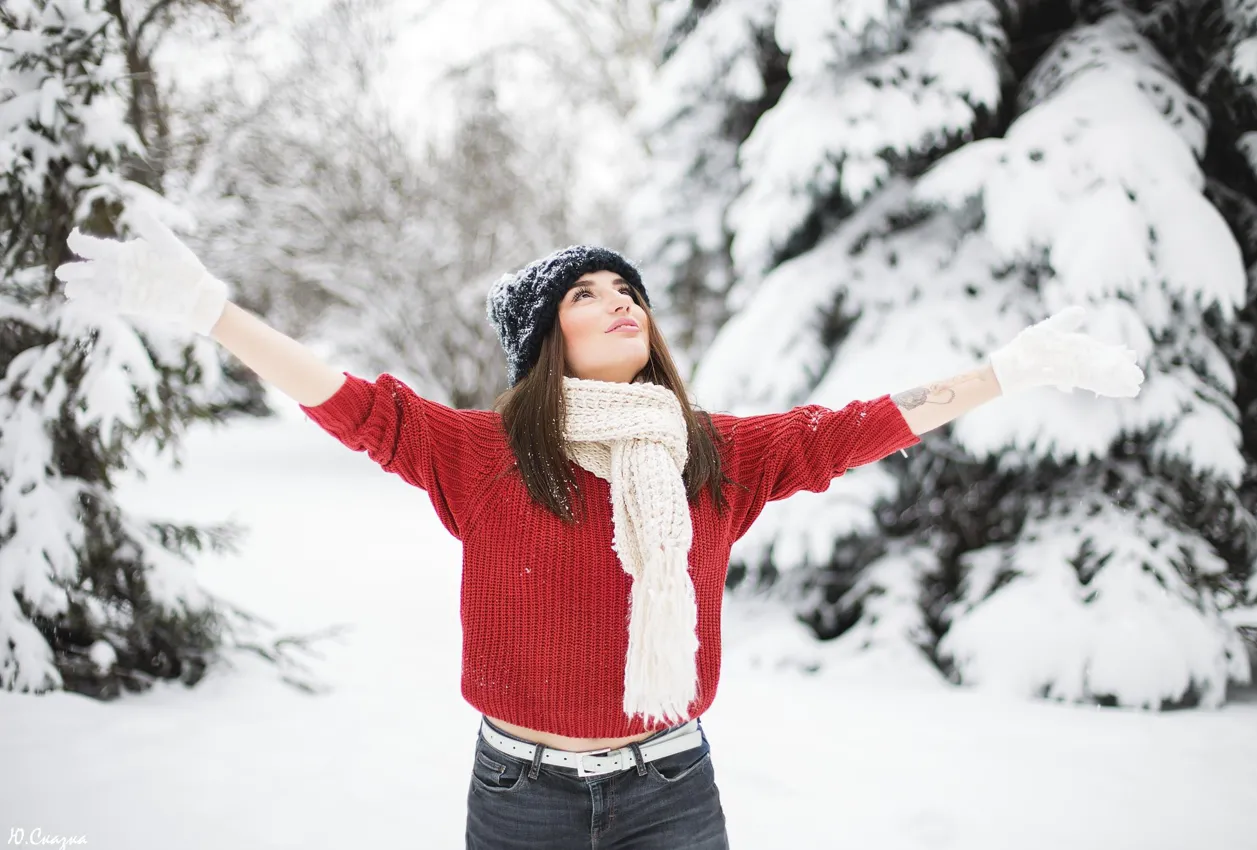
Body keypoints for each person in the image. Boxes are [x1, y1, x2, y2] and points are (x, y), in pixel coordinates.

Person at [56, 211, 1143, 849]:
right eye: (589, 293)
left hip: (672, 790)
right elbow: (353, 403)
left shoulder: (707, 454)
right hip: (518, 795)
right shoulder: (484, 454)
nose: (623, 299)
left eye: (629, 289)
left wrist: (1008, 373)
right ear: (548, 339)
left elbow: (848, 431)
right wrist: (214, 311)